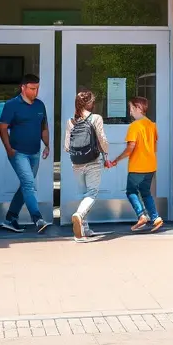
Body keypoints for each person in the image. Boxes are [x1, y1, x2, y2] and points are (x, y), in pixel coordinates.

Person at [0, 73, 51, 234]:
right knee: (29, 184)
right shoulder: (12, 105)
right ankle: (38, 218)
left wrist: (47, 145)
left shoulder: (40, 105)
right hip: (18, 152)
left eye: (37, 88)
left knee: (25, 185)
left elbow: (44, 127)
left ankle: (10, 218)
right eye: (32, 88)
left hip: (34, 152)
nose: (35, 92)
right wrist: (9, 148)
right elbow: (2, 127)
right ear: (23, 87)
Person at [107, 96, 163, 232]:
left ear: (138, 108)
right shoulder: (152, 125)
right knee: (145, 192)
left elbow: (130, 148)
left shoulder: (134, 126)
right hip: (150, 166)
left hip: (138, 166)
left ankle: (141, 215)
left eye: (131, 108)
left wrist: (116, 160)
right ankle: (156, 218)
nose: (130, 112)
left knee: (131, 191)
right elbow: (154, 147)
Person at [64, 90, 110, 241]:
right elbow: (102, 140)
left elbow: (66, 146)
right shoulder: (96, 118)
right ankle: (79, 215)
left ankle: (84, 229)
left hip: (76, 162)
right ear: (89, 103)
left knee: (83, 195)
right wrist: (107, 155)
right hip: (93, 161)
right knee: (91, 193)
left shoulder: (71, 121)